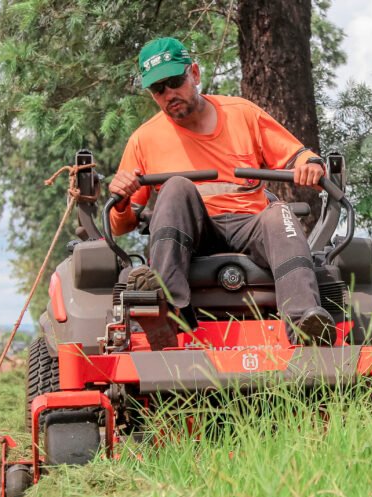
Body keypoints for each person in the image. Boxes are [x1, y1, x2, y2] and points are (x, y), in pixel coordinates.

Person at [107, 36, 335, 347]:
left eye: (174, 82)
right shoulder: (144, 140)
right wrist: (121, 200)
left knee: (279, 214)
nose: (169, 94)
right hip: (193, 234)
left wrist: (310, 163)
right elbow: (121, 225)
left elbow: (297, 155)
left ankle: (306, 326)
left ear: (194, 74)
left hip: (249, 224)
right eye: (159, 89)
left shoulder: (242, 114)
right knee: (176, 186)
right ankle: (167, 314)